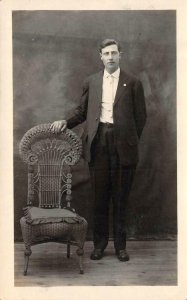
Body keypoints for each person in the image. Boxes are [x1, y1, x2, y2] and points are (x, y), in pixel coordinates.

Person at [50, 39, 146, 262]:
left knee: (121, 198)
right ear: (100, 57)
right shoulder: (92, 81)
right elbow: (82, 111)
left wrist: (129, 139)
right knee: (100, 197)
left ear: (120, 55)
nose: (110, 57)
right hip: (98, 142)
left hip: (123, 145)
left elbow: (141, 117)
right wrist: (65, 121)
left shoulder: (133, 83)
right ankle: (100, 245)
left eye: (114, 53)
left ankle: (121, 247)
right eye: (106, 53)